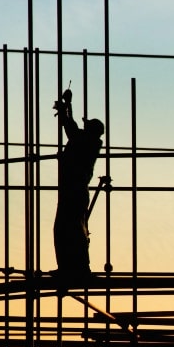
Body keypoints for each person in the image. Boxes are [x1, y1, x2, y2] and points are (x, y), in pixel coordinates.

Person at [53, 88, 104, 288]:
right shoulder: (86, 140)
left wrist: (67, 107)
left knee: (71, 230)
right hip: (71, 192)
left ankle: (77, 269)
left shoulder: (87, 142)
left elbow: (71, 129)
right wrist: (67, 107)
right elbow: (72, 128)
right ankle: (71, 268)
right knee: (68, 230)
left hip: (74, 192)